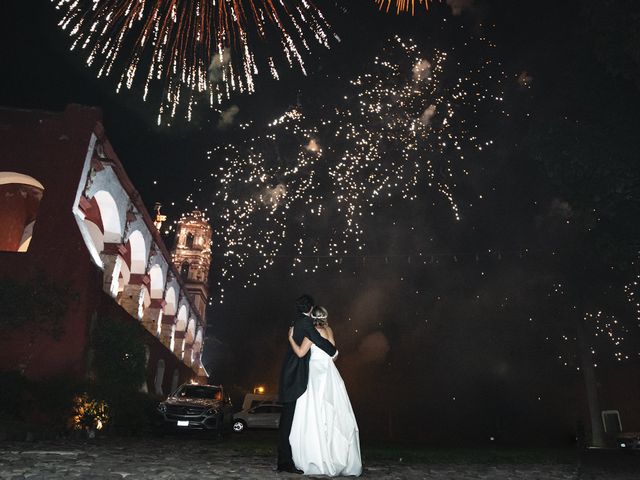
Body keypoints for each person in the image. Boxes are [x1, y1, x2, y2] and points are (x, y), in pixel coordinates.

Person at [288, 306, 362, 477]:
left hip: (315, 374)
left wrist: (291, 338)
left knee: (314, 412)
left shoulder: (312, 332)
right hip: (329, 372)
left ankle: (316, 457)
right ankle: (336, 455)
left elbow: (300, 353)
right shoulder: (329, 329)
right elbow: (333, 354)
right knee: (333, 412)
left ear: (312, 317)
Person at [277, 294, 338, 474]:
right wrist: (334, 351)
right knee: (287, 422)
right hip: (294, 377)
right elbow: (319, 342)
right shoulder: (306, 324)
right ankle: (285, 463)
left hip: (292, 375)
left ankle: (286, 461)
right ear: (310, 309)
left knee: (288, 420)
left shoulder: (297, 321)